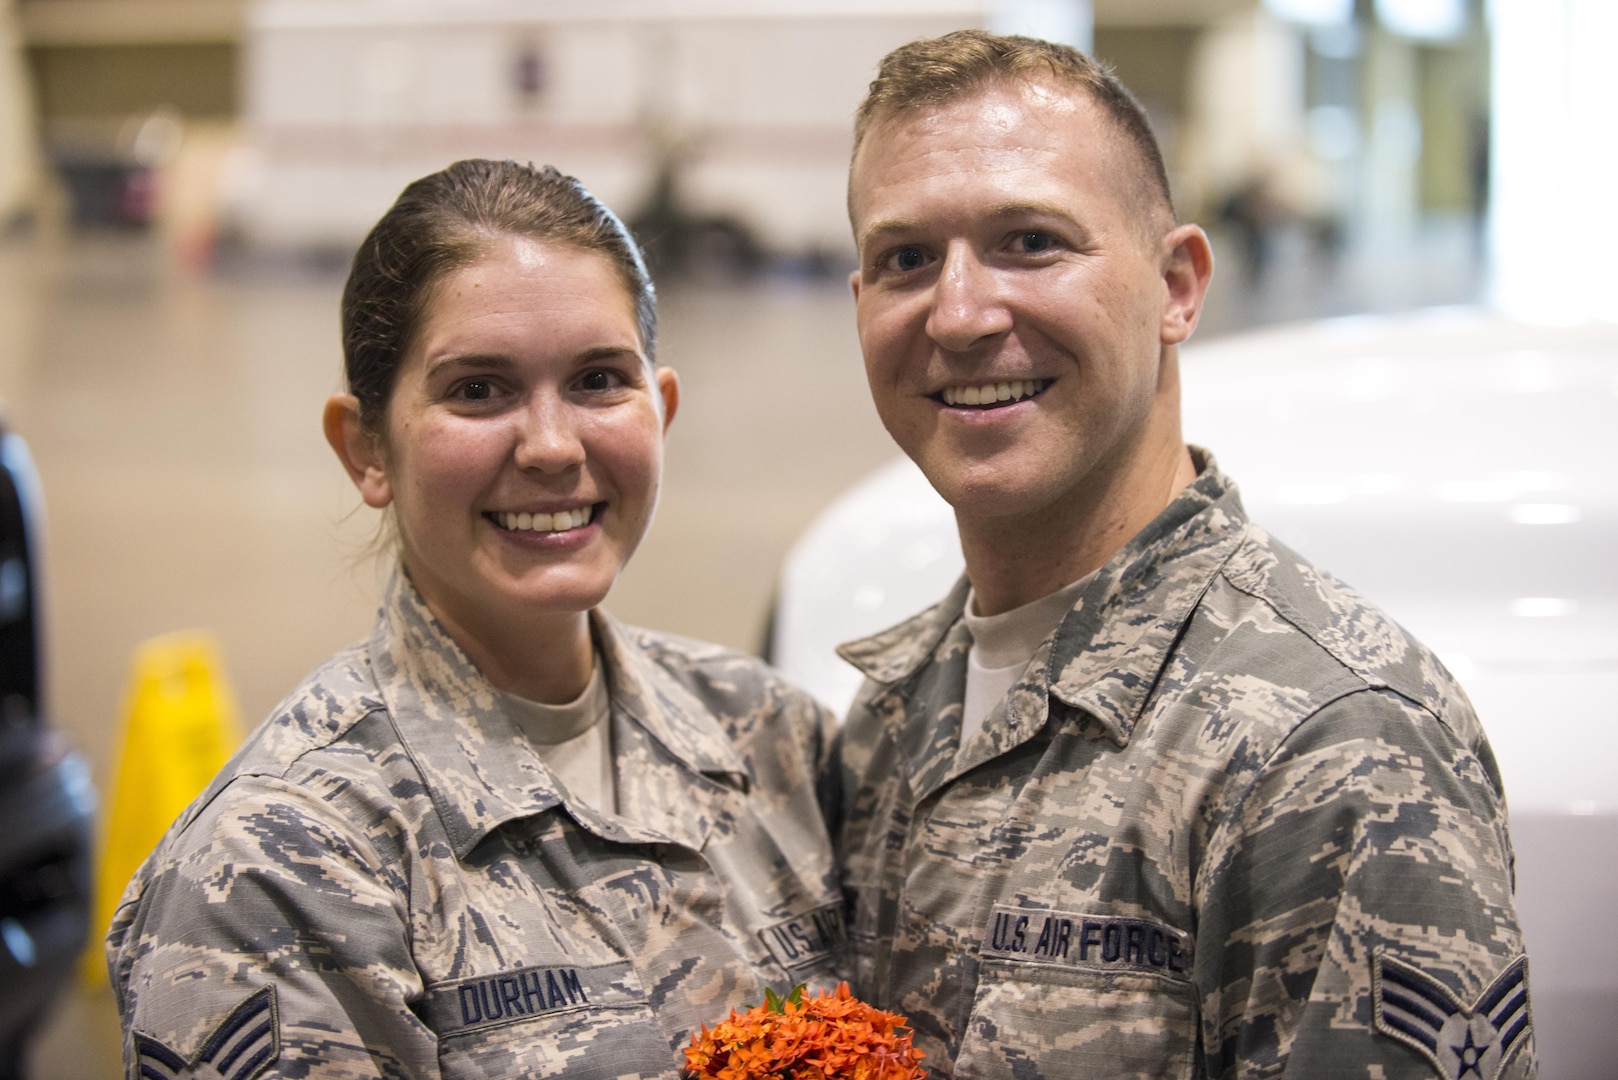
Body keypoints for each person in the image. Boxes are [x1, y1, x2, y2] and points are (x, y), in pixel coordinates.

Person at [829, 30, 1533, 1080]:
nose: (961, 313)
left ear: (1177, 287)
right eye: (905, 260)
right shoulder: (891, 720)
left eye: (1029, 241)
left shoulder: (1335, 748)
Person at [107, 160, 846, 1079]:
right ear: (365, 449)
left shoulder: (774, 739)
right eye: (479, 390)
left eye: (598, 380)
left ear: (662, 411)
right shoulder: (275, 866)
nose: (550, 446)